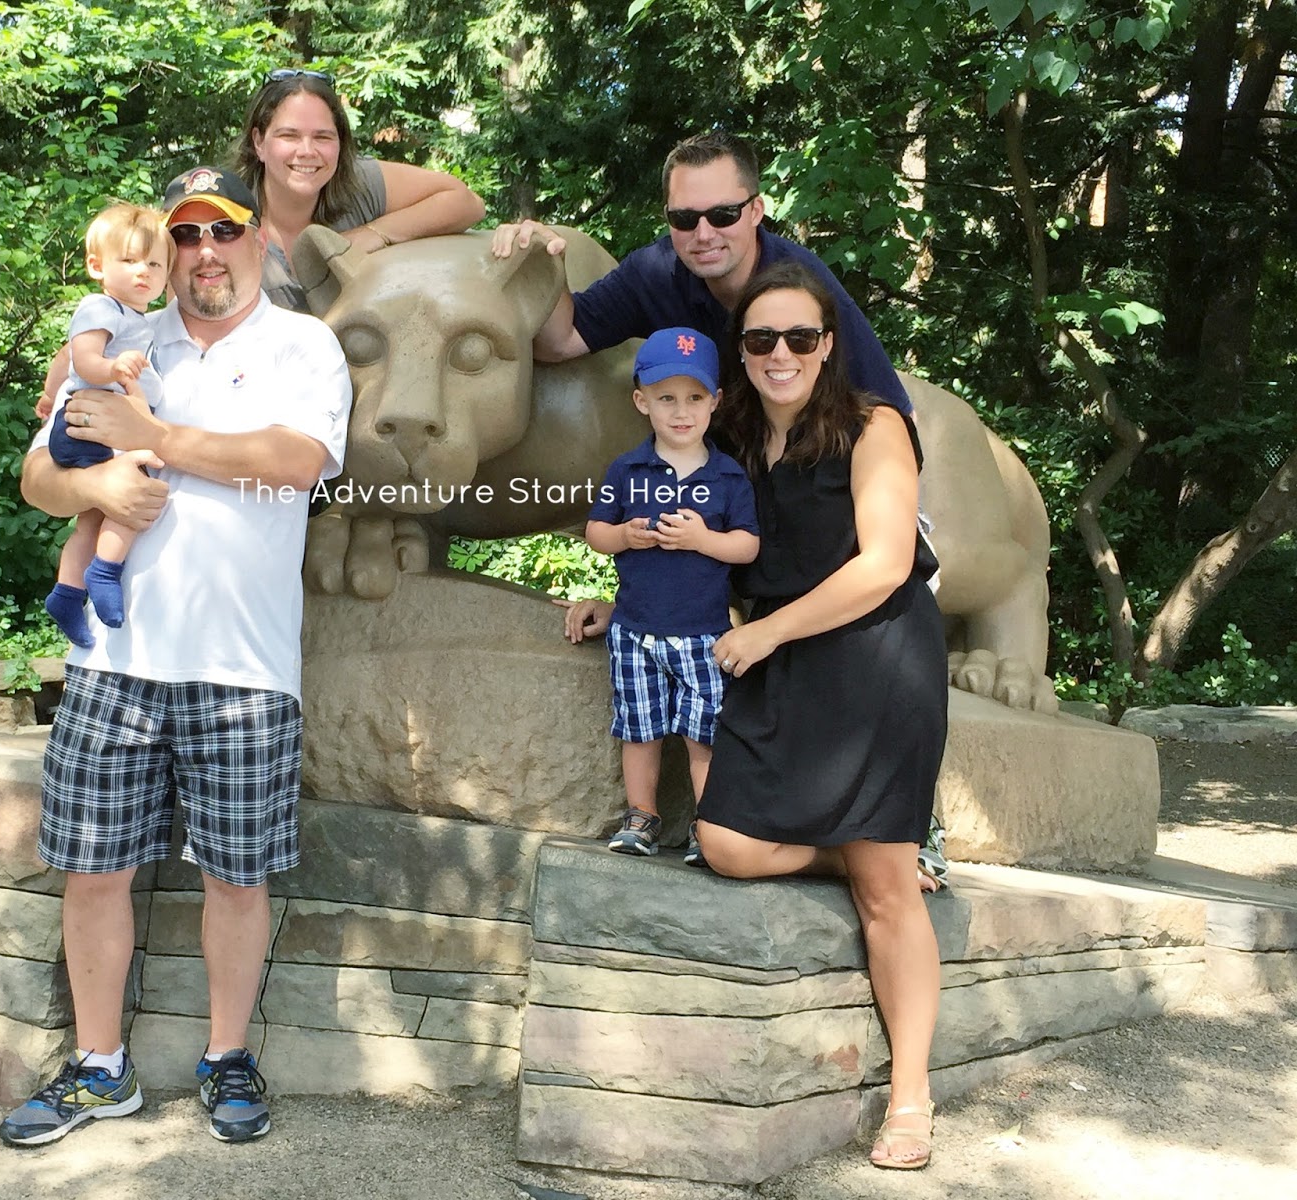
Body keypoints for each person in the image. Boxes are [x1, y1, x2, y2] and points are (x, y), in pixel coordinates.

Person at [0, 165, 352, 1148]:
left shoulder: (303, 345)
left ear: (259, 240)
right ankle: (99, 1069)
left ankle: (227, 1056)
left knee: (237, 879)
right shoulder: (120, 338)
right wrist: (98, 486)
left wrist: (157, 437)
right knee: (91, 871)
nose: (203, 252)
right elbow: (38, 475)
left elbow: (296, 463)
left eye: (223, 231)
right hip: (113, 662)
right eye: (185, 234)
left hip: (245, 670)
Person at [702, 260, 947, 1169]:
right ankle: (868, 844)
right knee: (726, 842)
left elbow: (885, 564)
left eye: (800, 337)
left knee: (884, 895)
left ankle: (911, 1099)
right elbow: (702, 555)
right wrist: (627, 605)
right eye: (761, 338)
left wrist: (766, 634)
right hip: (784, 660)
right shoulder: (727, 439)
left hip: (875, 657)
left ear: (828, 344)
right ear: (741, 349)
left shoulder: (873, 425)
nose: (781, 354)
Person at [491, 131, 910, 415]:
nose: (704, 234)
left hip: (809, 471)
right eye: (685, 218)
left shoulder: (805, 284)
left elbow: (888, 410)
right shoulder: (653, 273)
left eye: (724, 214)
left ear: (756, 211)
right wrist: (540, 264)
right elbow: (559, 342)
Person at [584, 327, 758, 856]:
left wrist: (703, 540)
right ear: (642, 402)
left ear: (715, 401)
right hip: (635, 630)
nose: (681, 412)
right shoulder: (627, 469)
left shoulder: (728, 477)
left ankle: (709, 826)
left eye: (694, 398)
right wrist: (623, 536)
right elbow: (595, 532)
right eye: (666, 399)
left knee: (703, 735)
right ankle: (642, 817)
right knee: (639, 730)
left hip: (703, 633)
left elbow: (748, 546)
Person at [232, 67, 487, 310]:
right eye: (289, 136)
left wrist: (375, 233)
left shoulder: (361, 183)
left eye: (323, 137)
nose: (307, 151)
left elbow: (467, 203)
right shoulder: (226, 206)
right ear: (259, 142)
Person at [41, 203, 172, 646]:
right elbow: (83, 359)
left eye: (155, 264)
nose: (144, 272)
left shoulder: (135, 318)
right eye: (130, 260)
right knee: (135, 495)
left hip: (97, 425)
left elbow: (62, 358)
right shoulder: (102, 307)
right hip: (92, 427)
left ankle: (66, 594)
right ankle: (104, 572)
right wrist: (113, 369)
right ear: (97, 266)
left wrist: (47, 394)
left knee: (90, 521)